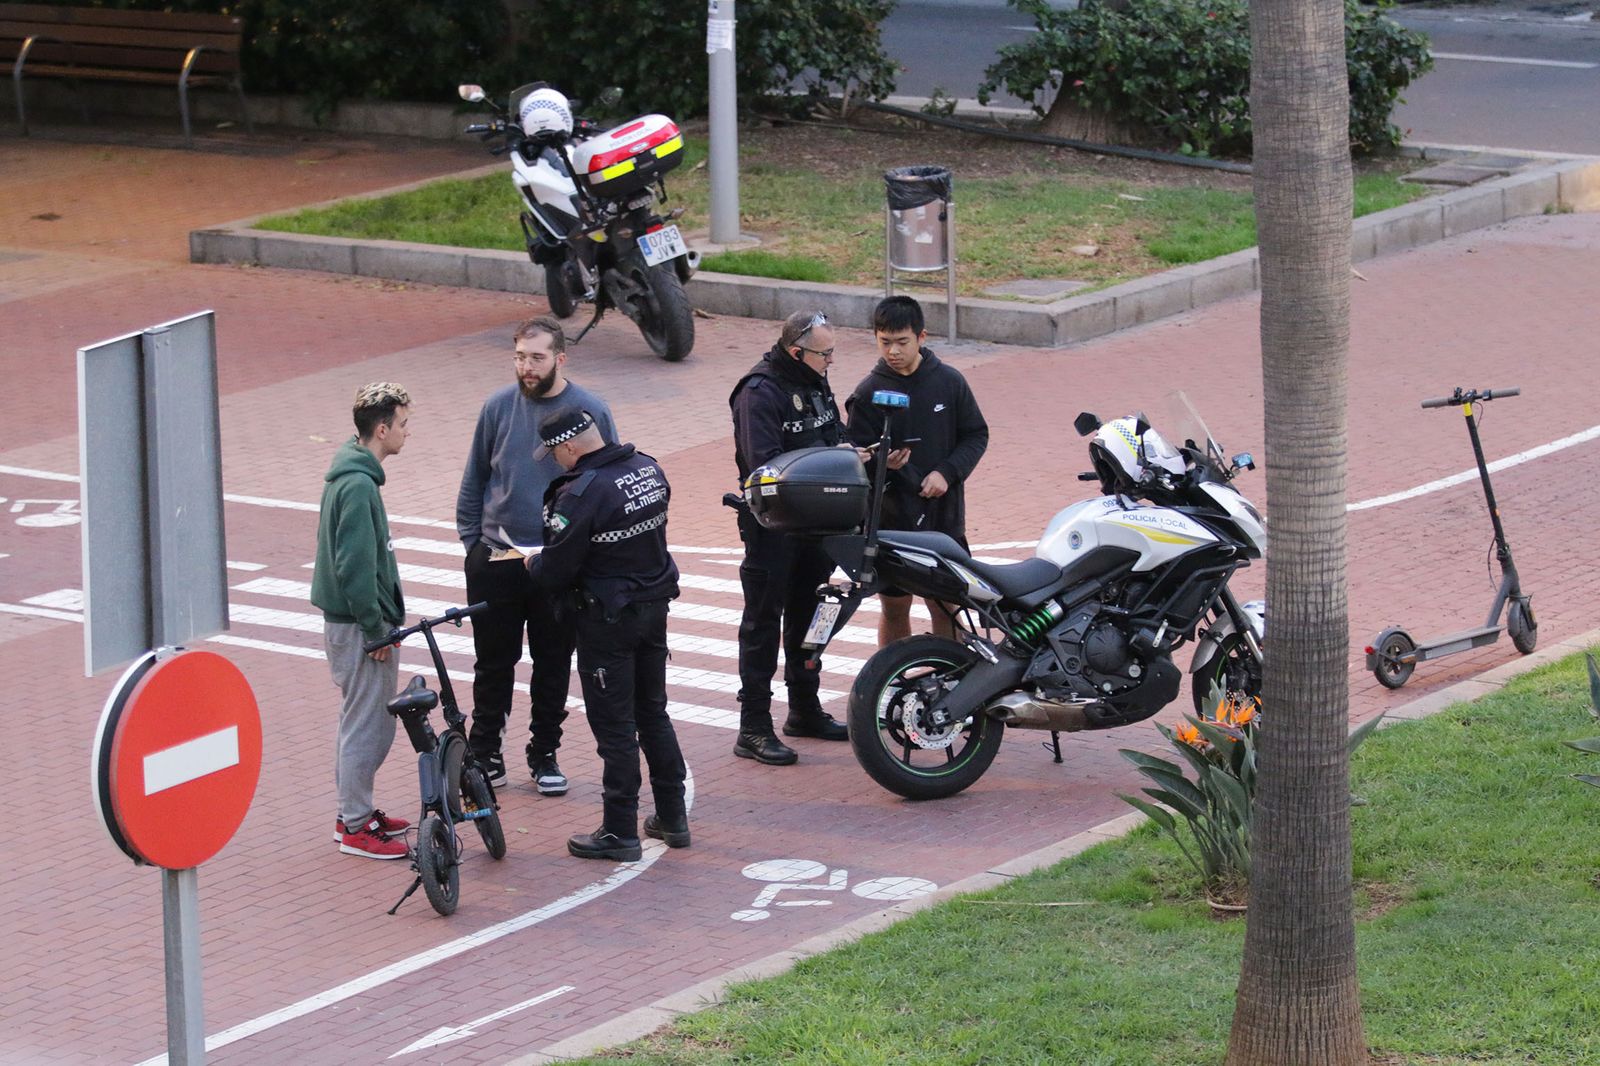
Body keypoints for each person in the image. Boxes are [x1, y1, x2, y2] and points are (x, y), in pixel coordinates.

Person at [457, 315, 617, 791]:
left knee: (553, 662)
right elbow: (475, 480)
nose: (527, 367)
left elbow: (606, 480)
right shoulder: (498, 407)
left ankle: (544, 753)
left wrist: (585, 557)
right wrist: (474, 545)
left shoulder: (590, 410)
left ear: (560, 359)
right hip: (497, 559)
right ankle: (486, 752)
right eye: (520, 357)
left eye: (538, 358)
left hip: (558, 563)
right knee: (492, 663)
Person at [526, 408, 688, 861]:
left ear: (571, 446)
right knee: (653, 713)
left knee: (615, 726)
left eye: (556, 453)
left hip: (606, 621)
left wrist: (532, 563)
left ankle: (619, 830)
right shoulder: (648, 469)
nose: (556, 461)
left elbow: (556, 569)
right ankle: (673, 816)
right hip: (654, 610)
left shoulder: (582, 494)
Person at [728, 310, 863, 766]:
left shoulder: (814, 380)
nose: (830, 362)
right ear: (795, 351)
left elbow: (834, 435)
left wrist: (854, 456)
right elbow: (764, 465)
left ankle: (804, 708)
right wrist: (829, 461)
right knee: (762, 623)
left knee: (812, 617)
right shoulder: (758, 393)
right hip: (773, 527)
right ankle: (754, 726)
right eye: (825, 354)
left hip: (817, 525)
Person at [845, 295, 990, 646]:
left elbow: (976, 434)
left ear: (922, 337)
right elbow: (854, 456)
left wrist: (947, 472)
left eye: (902, 342)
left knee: (948, 606)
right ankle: (893, 683)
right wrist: (882, 463)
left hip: (944, 519)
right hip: (892, 520)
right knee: (895, 607)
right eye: (885, 342)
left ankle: (952, 682)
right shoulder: (868, 393)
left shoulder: (950, 382)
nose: (893, 351)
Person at [311, 382, 413, 859]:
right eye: (403, 423)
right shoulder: (357, 486)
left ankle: (355, 810)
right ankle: (354, 825)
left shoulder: (351, 475)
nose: (406, 432)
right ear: (381, 428)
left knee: (360, 720)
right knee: (368, 725)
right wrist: (376, 630)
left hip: (352, 625)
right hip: (360, 628)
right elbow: (354, 566)